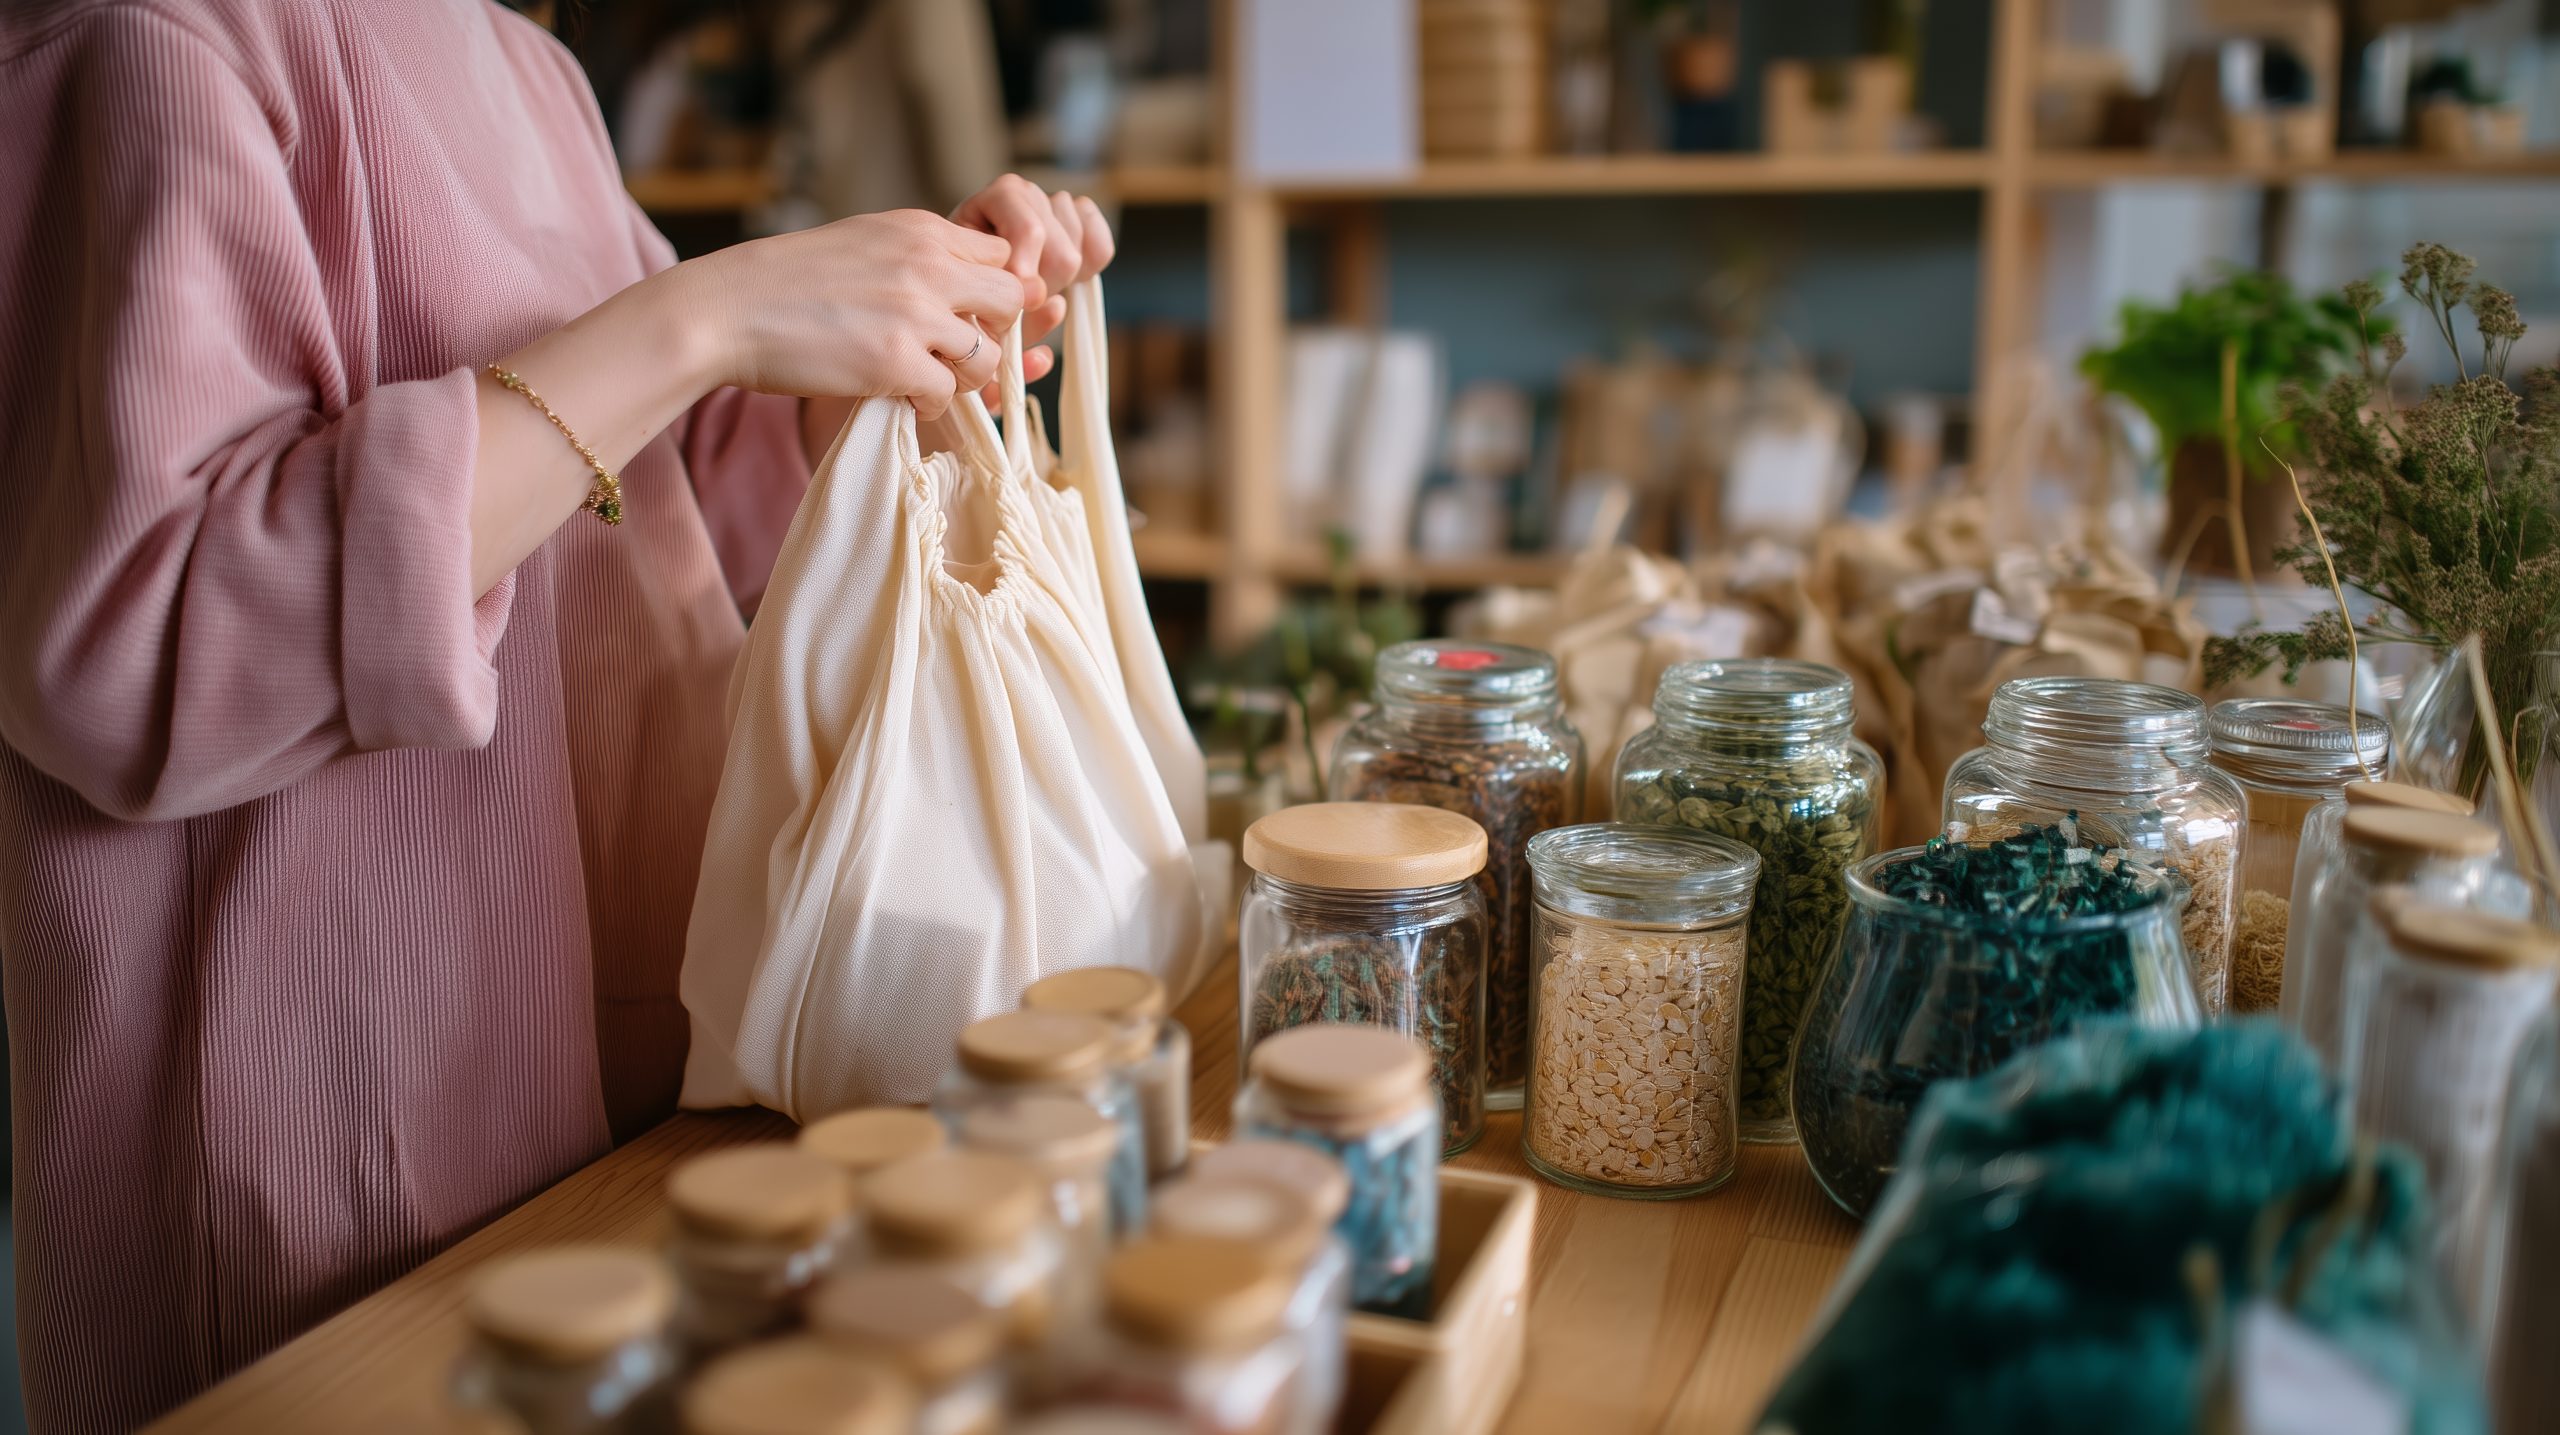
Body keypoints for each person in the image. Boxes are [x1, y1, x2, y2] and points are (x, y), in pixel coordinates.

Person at [0, 2, 1116, 1427]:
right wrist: (709, 318)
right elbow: (136, 639)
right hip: (332, 1144)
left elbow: (656, 498)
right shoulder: (143, 38)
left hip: (643, 1070)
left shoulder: (519, 61)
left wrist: (884, 347)